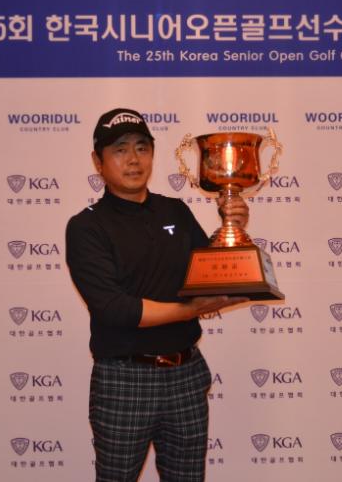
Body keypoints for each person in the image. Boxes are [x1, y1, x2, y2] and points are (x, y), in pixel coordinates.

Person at [65, 108, 249, 482]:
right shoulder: (87, 226)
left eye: (142, 147)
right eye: (119, 150)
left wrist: (234, 226)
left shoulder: (175, 210)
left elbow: (210, 274)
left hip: (186, 374)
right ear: (98, 162)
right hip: (124, 380)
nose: (133, 159)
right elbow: (117, 310)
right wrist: (191, 310)